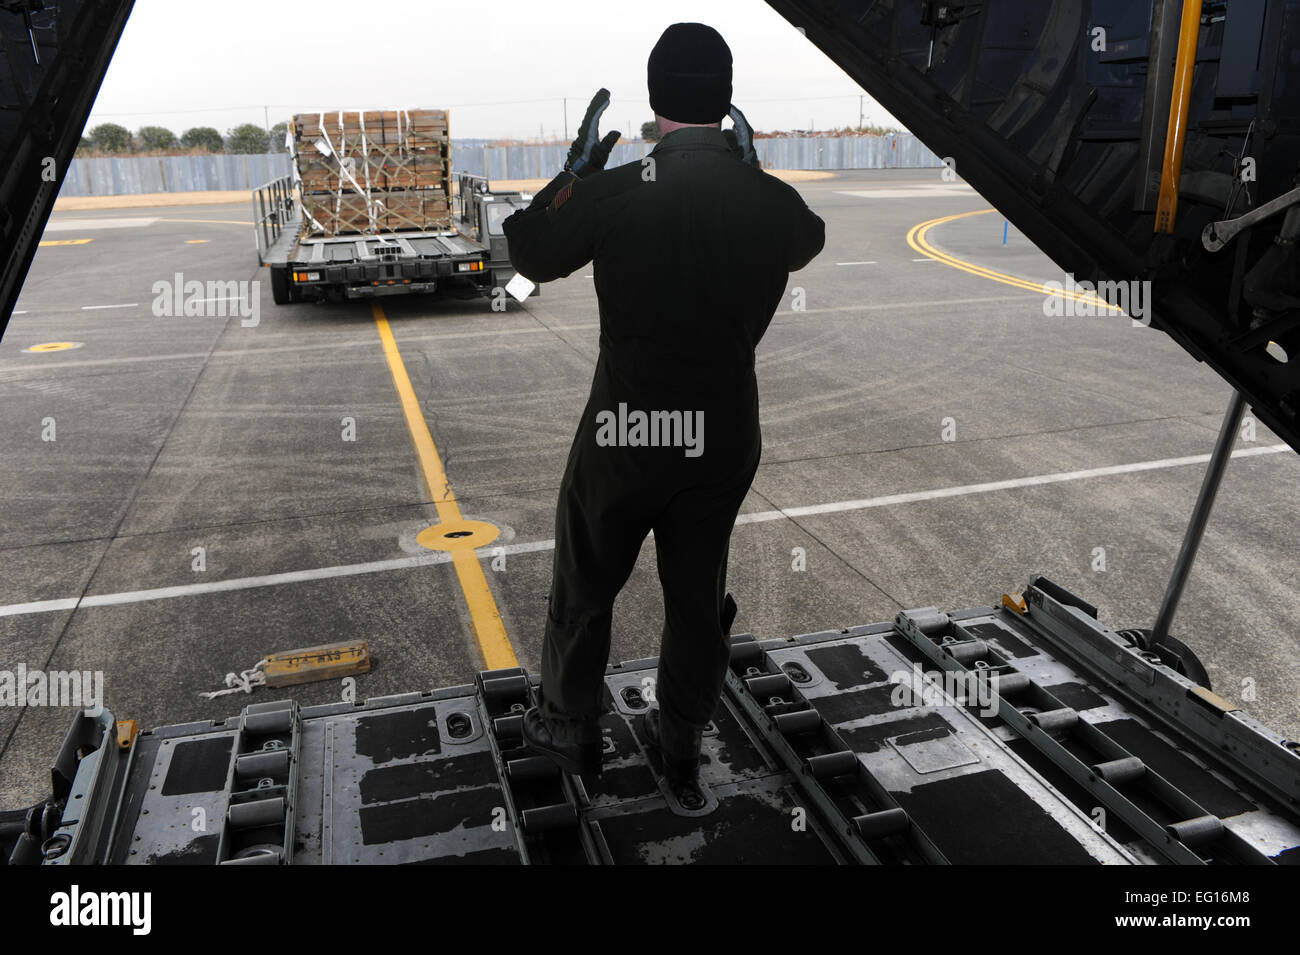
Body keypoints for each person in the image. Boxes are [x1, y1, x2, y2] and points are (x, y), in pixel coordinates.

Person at [503, 22, 825, 808]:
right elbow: (805, 238)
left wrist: (571, 175)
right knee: (695, 598)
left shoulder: (616, 192)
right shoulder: (768, 202)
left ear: (653, 100)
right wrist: (750, 171)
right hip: (719, 438)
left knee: (585, 577)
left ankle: (569, 724)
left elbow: (529, 253)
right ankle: (679, 740)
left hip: (627, 434)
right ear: (727, 98)